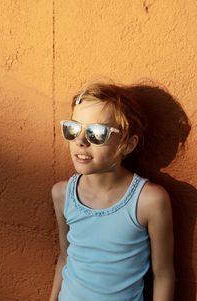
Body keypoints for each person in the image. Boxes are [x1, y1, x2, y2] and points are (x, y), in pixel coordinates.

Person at [49, 81, 175, 301]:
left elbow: (163, 274)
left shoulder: (149, 201)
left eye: (97, 133)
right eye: (72, 129)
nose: (80, 141)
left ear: (127, 144)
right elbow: (65, 257)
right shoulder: (62, 194)